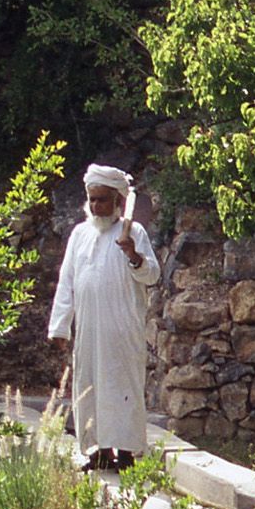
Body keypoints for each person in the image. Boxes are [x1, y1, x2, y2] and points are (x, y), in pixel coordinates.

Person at [48, 163, 160, 471]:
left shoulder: (132, 232)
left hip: (122, 330)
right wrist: (60, 327)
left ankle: (125, 454)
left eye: (102, 200)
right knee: (89, 387)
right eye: (92, 199)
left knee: (121, 388)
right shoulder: (80, 234)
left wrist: (132, 254)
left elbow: (152, 275)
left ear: (117, 203)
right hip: (88, 330)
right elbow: (67, 281)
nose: (96, 206)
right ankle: (97, 453)